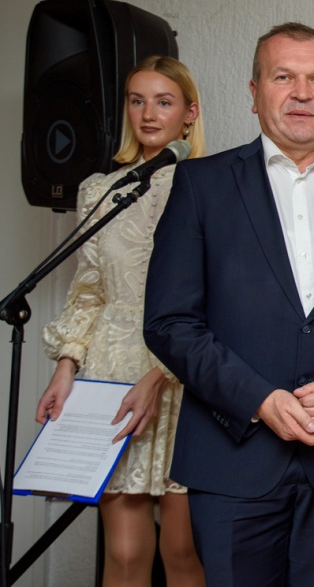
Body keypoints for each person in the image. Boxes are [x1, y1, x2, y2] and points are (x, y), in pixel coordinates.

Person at [143, 22, 314, 586]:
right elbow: (170, 322)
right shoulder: (199, 185)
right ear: (254, 91)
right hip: (232, 458)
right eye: (283, 77)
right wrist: (258, 400)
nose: (302, 93)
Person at [36, 55, 207, 587]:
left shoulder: (214, 186)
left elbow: (221, 300)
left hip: (185, 377)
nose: (148, 114)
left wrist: (161, 375)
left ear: (189, 113)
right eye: (137, 101)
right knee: (126, 554)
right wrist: (66, 365)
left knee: (183, 551)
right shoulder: (99, 190)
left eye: (164, 102)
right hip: (110, 372)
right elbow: (89, 291)